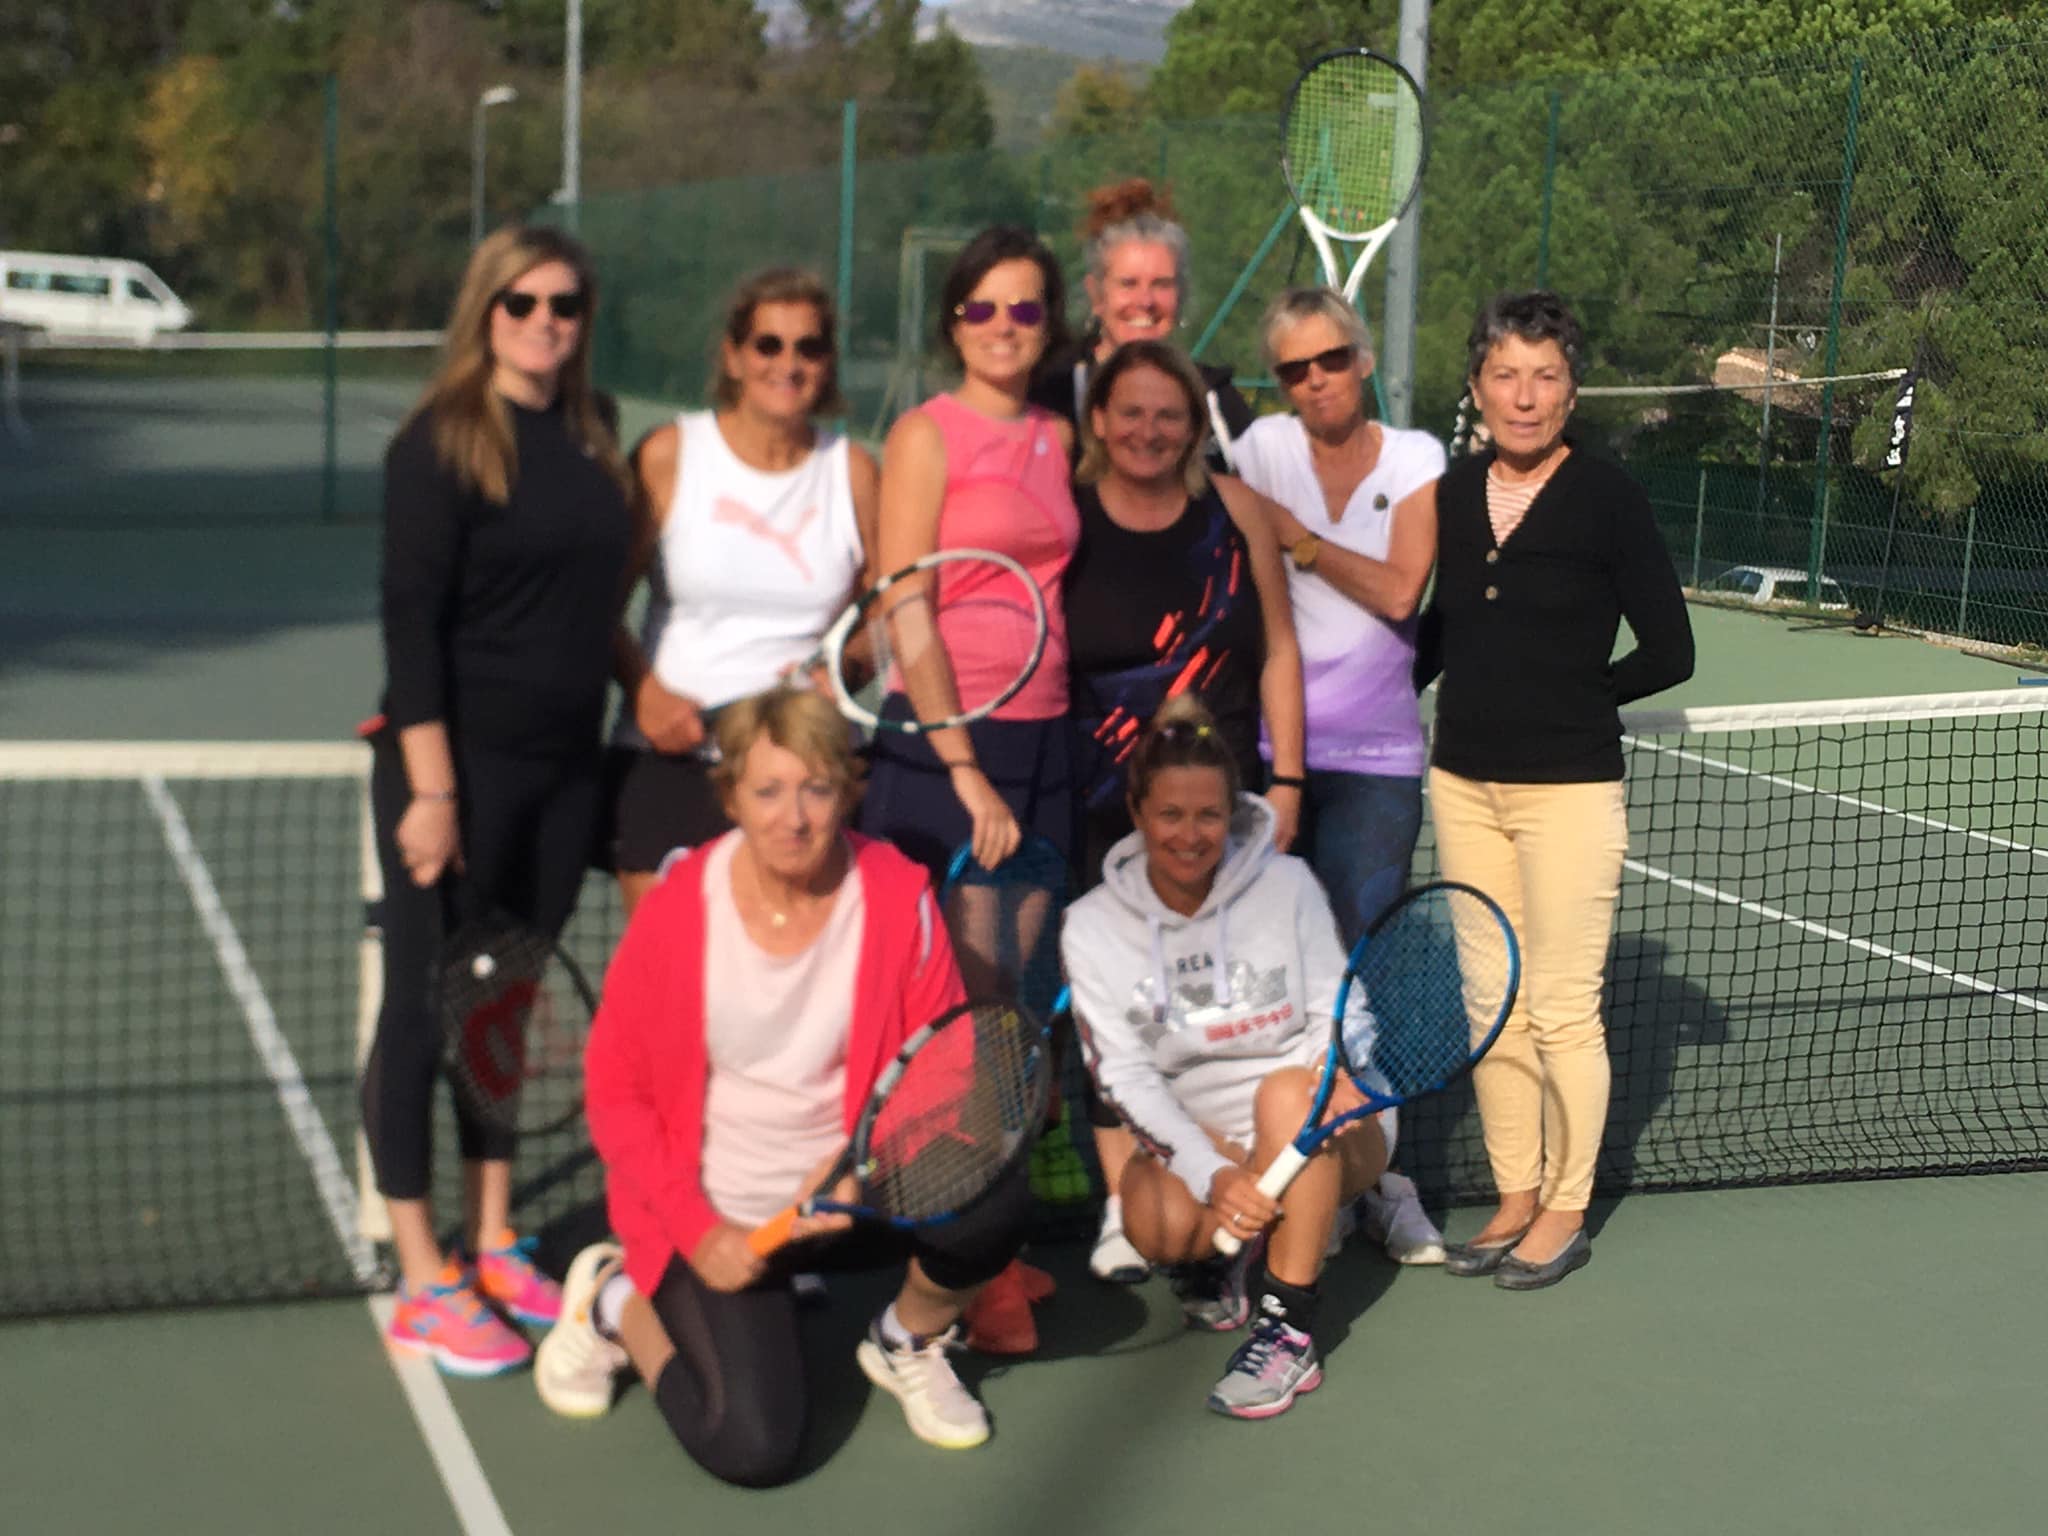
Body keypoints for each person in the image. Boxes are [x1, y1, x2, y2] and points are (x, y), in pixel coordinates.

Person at [535, 690, 1033, 1483]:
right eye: (767, 791)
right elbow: (615, 1089)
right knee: (753, 1447)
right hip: (728, 1216)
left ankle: (907, 1339)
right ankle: (615, 1302)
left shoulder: (899, 895)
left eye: (815, 788)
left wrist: (862, 1164)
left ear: (849, 789)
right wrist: (701, 1231)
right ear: (731, 796)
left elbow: (943, 1069)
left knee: (994, 1197)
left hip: (855, 1191)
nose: (793, 817)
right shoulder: (678, 910)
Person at [365, 225, 633, 1374]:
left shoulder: (593, 431)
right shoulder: (437, 444)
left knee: (501, 1009)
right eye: (520, 303)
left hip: (567, 770)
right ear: (486, 309)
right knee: (424, 1012)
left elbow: (597, 607)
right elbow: (410, 628)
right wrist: (432, 791)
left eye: (564, 305)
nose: (542, 323)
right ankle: (422, 1271)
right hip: (455, 777)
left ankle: (490, 1236)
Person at [1418, 291, 1694, 1290]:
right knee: (1490, 1002)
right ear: (1476, 385)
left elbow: (1670, 650)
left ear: (1570, 389)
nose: (1522, 398)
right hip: (1461, 787)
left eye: (1543, 377)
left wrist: (1580, 697)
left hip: (1568, 791)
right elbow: (1434, 636)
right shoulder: (1450, 492)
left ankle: (1566, 1210)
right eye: (1504, 375)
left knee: (1561, 1009)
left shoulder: (1607, 497)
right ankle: (1514, 1194)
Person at [1061, 695, 1390, 1419]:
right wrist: (1211, 1175)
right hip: (1210, 1136)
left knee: (1285, 1097)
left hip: (1327, 1116)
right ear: (1139, 813)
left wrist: (1332, 1070)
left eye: (1208, 815)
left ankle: (1289, 1326)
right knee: (1157, 1226)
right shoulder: (1089, 928)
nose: (1190, 834)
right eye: (1170, 815)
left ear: (1232, 814)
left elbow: (1343, 1010)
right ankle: (1251, 1238)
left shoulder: (1286, 887)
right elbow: (1125, 1077)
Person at [1063, 337, 1306, 1284]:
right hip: (1106, 808)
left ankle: (1225, 1196)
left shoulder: (1235, 510)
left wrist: (1286, 784)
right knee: (1119, 1013)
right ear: (1099, 422)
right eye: (1131, 412)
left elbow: (1279, 649)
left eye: (1171, 415)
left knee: (1219, 1010)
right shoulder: (1070, 520)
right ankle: (1133, 1205)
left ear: (1196, 429)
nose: (1150, 431)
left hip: (1229, 812)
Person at [1228, 285, 1447, 1267]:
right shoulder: (1256, 453)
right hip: (1264, 765)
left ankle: (1378, 1177)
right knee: (1266, 977)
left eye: (1329, 360)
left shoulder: (1413, 459)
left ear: (1361, 360)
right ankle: (1285, 1167)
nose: (1313, 380)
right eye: (1292, 369)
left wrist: (1303, 541)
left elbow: (1402, 588)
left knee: (1359, 973)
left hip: (1373, 767)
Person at [607, 268, 877, 916]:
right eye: (768, 345)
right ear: (733, 356)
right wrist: (645, 692)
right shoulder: (670, 455)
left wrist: (845, 670)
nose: (788, 364)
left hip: (805, 773)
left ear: (828, 362)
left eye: (808, 347)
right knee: (676, 988)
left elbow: (892, 611)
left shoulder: (854, 472)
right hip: (674, 762)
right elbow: (600, 606)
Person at [858, 224, 1080, 877]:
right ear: (955, 326)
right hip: (949, 737)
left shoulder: (1060, 436)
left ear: (1048, 325)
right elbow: (907, 608)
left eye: (1025, 309)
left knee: (1021, 970)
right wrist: (962, 767)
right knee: (958, 969)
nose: (1003, 326)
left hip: (1046, 732)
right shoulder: (924, 435)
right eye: (981, 308)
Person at [1028, 178, 1254, 470]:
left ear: (1181, 295)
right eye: (1128, 283)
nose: (1145, 301)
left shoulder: (1214, 399)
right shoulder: (1055, 393)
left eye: (1161, 284)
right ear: (1096, 294)